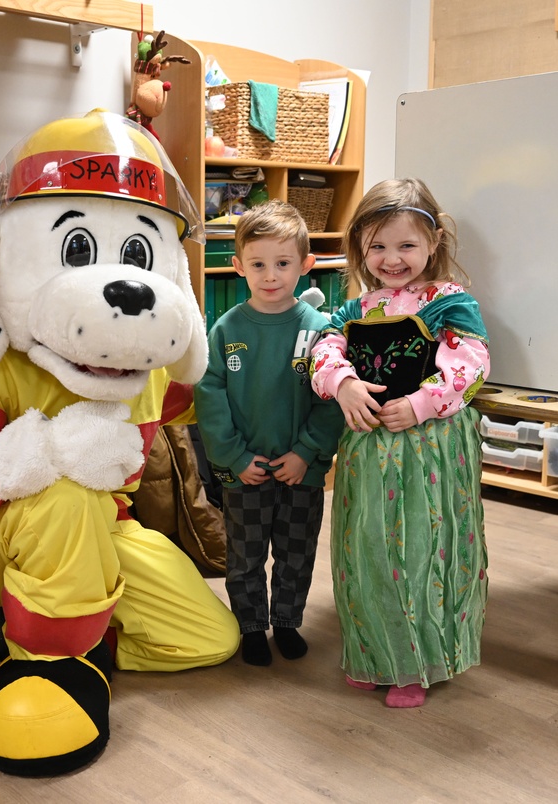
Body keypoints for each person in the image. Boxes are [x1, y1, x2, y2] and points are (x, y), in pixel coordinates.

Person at [310, 177, 490, 708]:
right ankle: (374, 650)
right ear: (361, 248)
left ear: (433, 243)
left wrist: (420, 403)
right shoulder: (354, 308)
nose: (392, 258)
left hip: (429, 449)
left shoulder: (449, 302)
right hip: (369, 449)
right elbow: (323, 349)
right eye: (378, 246)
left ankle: (416, 663)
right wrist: (341, 382)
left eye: (406, 245)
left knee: (420, 549)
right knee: (366, 550)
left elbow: (471, 364)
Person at [195, 200, 344, 667]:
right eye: (258, 264)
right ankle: (252, 626)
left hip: (302, 471)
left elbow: (333, 400)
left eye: (283, 263)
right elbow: (210, 396)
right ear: (238, 266)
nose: (271, 275)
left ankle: (286, 621)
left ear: (306, 264)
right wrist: (235, 457)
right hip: (245, 473)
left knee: (296, 553)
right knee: (245, 556)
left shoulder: (322, 330)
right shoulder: (225, 329)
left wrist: (306, 452)